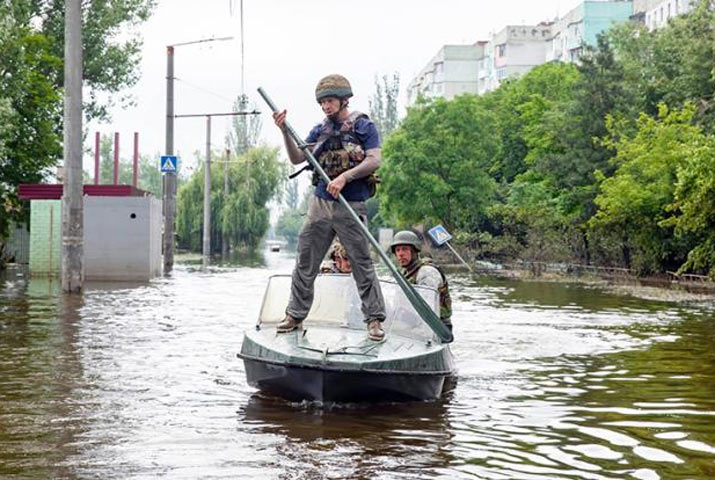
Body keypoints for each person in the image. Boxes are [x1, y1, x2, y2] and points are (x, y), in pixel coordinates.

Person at [272, 74, 386, 341]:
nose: (326, 106)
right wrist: (284, 130)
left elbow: (374, 160)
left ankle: (374, 320)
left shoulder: (363, 126)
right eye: (322, 102)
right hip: (320, 204)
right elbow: (297, 157)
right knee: (305, 260)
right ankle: (295, 315)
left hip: (351, 203)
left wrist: (345, 177)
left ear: (344, 100)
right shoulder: (319, 130)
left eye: (330, 101)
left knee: (361, 263)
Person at [390, 230, 453, 332]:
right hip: (412, 322)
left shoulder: (427, 272)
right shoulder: (404, 273)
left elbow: (427, 306)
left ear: (415, 251)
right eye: (397, 250)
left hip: (436, 326)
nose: (400, 254)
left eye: (405, 249)